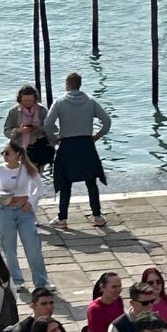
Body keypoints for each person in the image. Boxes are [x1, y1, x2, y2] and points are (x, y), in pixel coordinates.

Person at [48, 73, 111, 228]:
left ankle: (62, 218)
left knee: (65, 182)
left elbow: (47, 124)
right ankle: (97, 216)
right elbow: (107, 121)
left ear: (67, 84)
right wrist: (97, 136)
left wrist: (55, 138)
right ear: (80, 84)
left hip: (67, 145)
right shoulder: (90, 101)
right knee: (91, 181)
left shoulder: (60, 102)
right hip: (86, 144)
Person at [0, 141, 49, 289]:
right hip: (5, 211)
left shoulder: (27, 169)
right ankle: (16, 281)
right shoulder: (0, 169)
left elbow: (39, 187)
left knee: (33, 246)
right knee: (8, 248)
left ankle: (40, 281)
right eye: (3, 153)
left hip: (24, 211)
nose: (4, 156)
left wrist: (31, 201)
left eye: (8, 152)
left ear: (18, 154)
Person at [1, 85, 53, 170]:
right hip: (19, 146)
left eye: (30, 100)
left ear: (35, 99)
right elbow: (6, 131)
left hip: (38, 146)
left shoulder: (42, 110)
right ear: (20, 100)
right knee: (19, 172)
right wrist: (19, 130)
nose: (28, 103)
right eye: (25, 101)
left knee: (36, 174)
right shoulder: (14, 112)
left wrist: (39, 128)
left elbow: (50, 129)